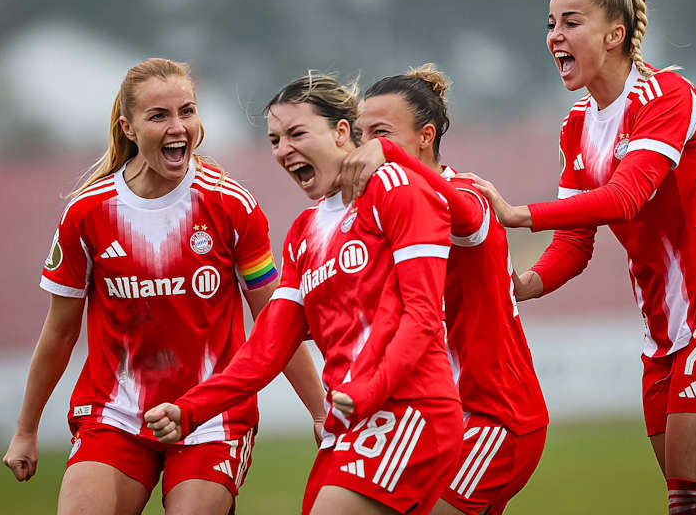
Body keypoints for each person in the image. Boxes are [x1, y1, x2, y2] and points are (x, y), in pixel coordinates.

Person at [463, 0, 696, 514]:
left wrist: (517, 215)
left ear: (616, 34)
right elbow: (575, 243)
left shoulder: (665, 98)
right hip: (662, 336)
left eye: (570, 22)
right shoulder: (577, 125)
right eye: (549, 24)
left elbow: (626, 196)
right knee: (687, 503)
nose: (554, 37)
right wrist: (520, 285)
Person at [1, 58, 326, 515]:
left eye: (187, 111)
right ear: (128, 128)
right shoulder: (87, 213)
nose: (179, 127)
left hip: (212, 418)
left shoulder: (231, 205)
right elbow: (59, 331)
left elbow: (276, 321)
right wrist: (26, 428)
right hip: (114, 416)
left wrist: (318, 411)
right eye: (159, 116)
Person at [144, 73, 464, 515]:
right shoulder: (302, 233)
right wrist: (191, 409)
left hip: (410, 411)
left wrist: (369, 391)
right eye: (275, 139)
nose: (283, 150)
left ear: (341, 132)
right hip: (351, 423)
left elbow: (424, 318)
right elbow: (267, 350)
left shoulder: (397, 191)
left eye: (296, 133)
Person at [337, 64, 549, 515]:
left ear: (425, 137)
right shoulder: (387, 208)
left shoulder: (465, 192)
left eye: (382, 133)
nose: (369, 145)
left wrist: (393, 158)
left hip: (495, 417)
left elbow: (467, 217)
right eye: (363, 134)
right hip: (441, 416)